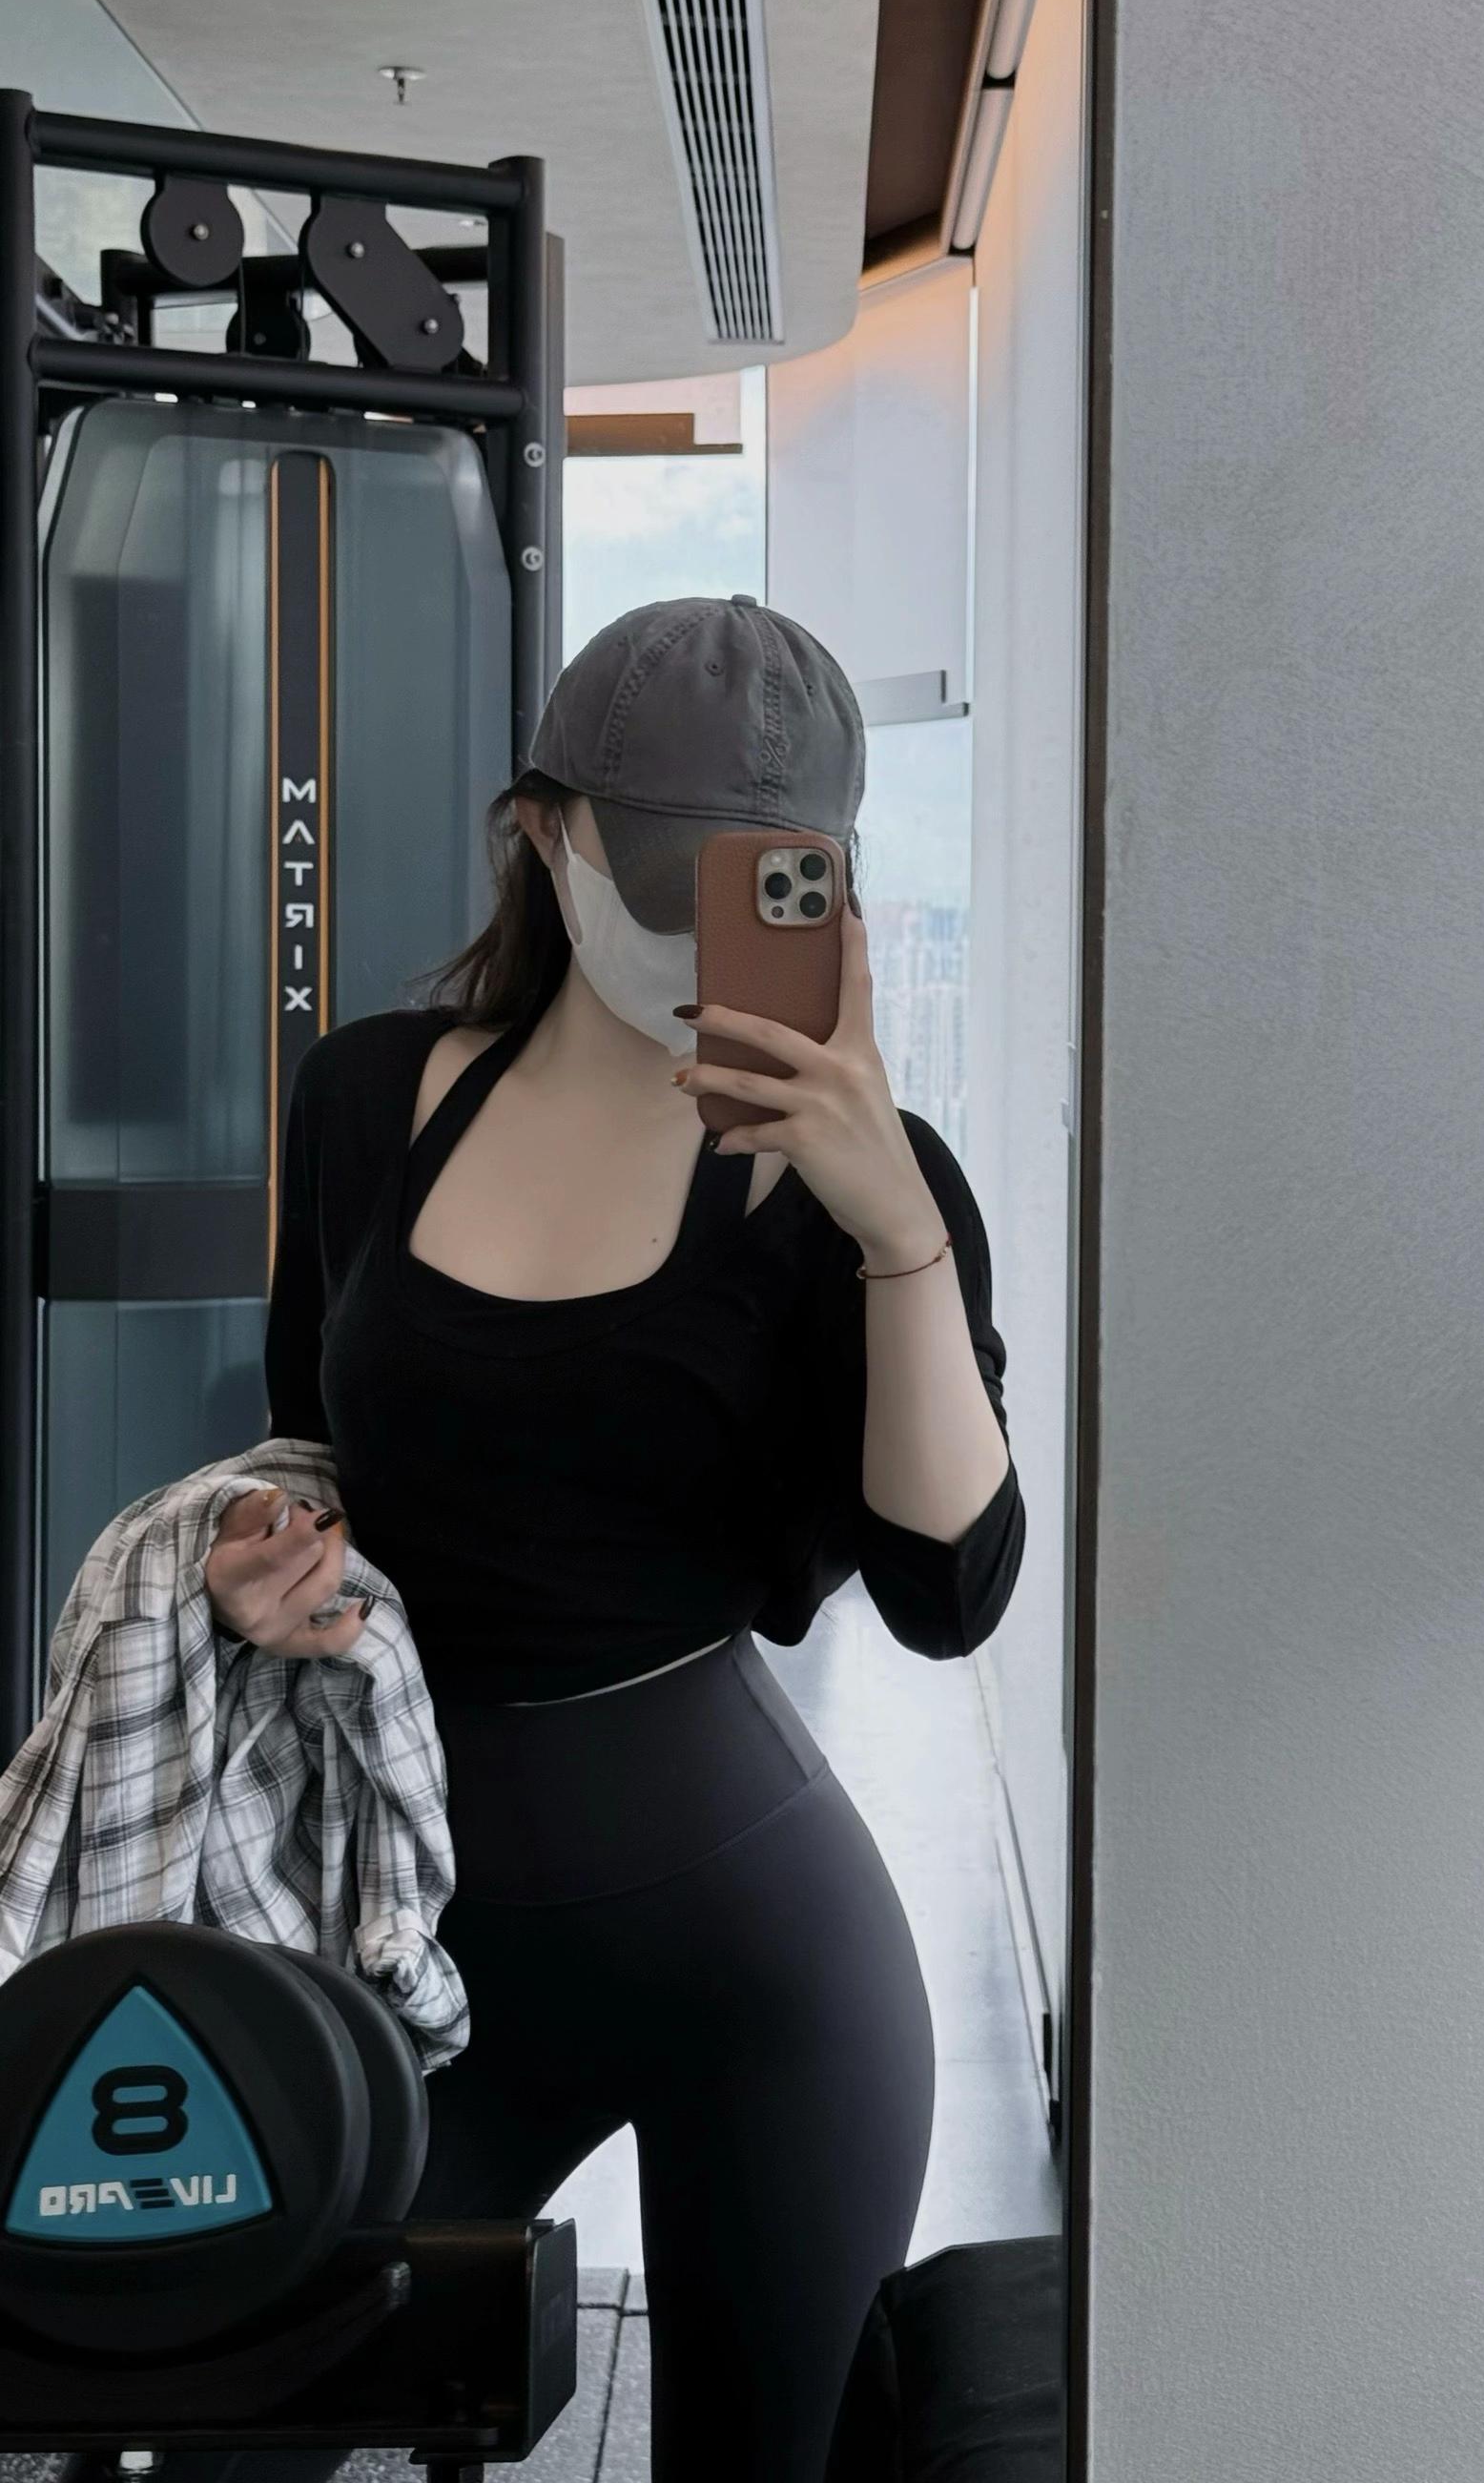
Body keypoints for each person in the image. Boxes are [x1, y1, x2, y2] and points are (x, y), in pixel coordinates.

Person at [178, 596, 1026, 2483]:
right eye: (668, 880)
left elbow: (951, 1591)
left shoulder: (860, 1189)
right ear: (547, 837)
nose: (709, 934)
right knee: (236, 2419)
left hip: (762, 1967)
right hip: (414, 1921)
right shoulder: (367, 1099)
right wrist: (261, 1555)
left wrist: (894, 1224)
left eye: (766, 884)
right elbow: (317, 1448)